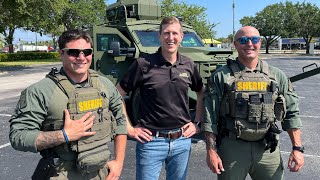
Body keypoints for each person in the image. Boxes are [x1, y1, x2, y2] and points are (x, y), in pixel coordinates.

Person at [9, 29, 127, 180]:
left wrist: (119, 162)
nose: (81, 57)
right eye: (73, 52)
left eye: (87, 52)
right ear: (61, 54)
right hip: (62, 173)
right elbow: (18, 136)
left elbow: (120, 120)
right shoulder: (40, 91)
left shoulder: (105, 84)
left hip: (100, 172)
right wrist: (64, 135)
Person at [202, 26, 304, 180]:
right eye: (243, 40)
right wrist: (211, 150)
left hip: (267, 149)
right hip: (232, 148)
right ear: (235, 45)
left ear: (260, 43)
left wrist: (297, 148)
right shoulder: (221, 76)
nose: (249, 44)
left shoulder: (277, 76)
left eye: (254, 39)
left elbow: (291, 112)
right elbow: (210, 117)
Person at [116, 16, 204, 180]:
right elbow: (117, 94)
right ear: (159, 36)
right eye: (166, 33)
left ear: (181, 36)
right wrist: (128, 128)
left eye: (175, 33)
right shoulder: (143, 64)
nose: (171, 38)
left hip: (182, 140)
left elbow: (201, 92)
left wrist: (197, 123)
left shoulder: (189, 65)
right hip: (151, 142)